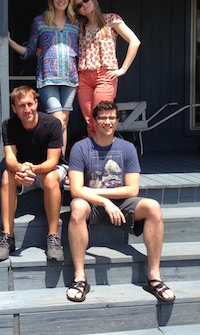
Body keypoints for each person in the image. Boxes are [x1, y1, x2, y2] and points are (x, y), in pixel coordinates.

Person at [66, 101, 175, 303]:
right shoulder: (80, 148)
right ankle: (80, 278)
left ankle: (154, 277)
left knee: (153, 207)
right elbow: (76, 190)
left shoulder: (127, 148)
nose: (108, 122)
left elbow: (132, 189)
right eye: (103, 118)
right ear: (94, 121)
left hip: (123, 204)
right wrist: (105, 202)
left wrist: (96, 192)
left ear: (117, 121)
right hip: (92, 205)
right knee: (77, 207)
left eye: (112, 118)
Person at [0, 86, 67, 263]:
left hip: (49, 171)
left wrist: (29, 169)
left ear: (36, 103)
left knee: (50, 178)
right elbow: (10, 158)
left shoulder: (52, 124)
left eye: (30, 104)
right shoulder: (9, 125)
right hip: (25, 172)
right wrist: (20, 168)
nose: (27, 109)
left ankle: (53, 237)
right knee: (6, 176)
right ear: (14, 108)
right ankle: (7, 237)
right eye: (21, 105)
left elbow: (52, 162)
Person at [8, 0, 80, 157]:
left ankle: (60, 163)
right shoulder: (40, 21)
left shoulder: (77, 23)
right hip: (48, 77)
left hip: (70, 78)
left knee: (63, 122)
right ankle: (54, 160)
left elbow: (84, 47)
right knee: (58, 120)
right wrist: (9, 42)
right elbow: (31, 50)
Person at [74, 0, 140, 137]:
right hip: (83, 76)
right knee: (90, 121)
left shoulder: (110, 19)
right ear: (77, 11)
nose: (84, 5)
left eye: (86, 0)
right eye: (78, 5)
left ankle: (103, 155)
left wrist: (123, 69)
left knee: (102, 119)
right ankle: (93, 157)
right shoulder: (79, 26)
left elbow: (134, 41)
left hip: (104, 75)